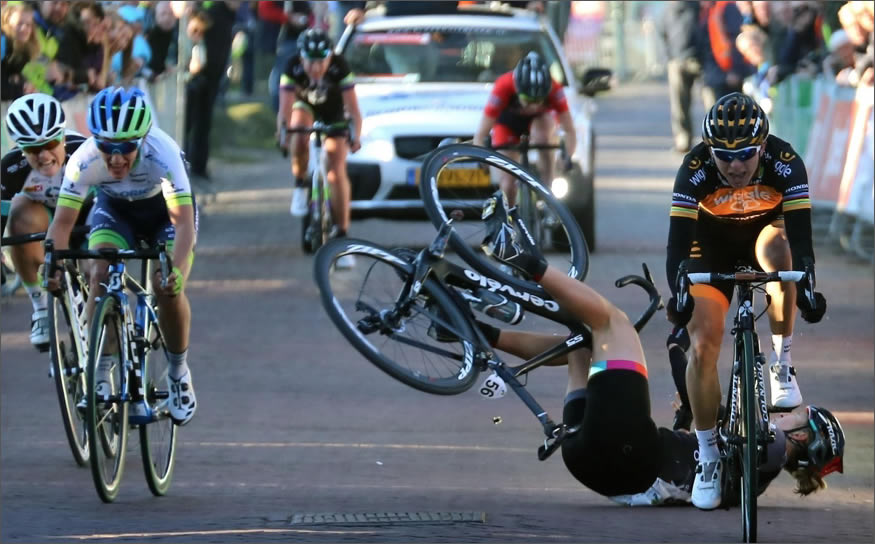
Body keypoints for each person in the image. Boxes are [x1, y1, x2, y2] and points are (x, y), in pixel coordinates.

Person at [474, 190, 845, 505]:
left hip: (628, 451)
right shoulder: (750, 472)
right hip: (593, 465)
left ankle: (520, 258)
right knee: (582, 348)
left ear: (803, 437)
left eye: (802, 414)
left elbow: (693, 387)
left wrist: (677, 344)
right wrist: (679, 350)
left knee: (611, 322)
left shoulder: (775, 450)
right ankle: (478, 334)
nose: (791, 410)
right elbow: (697, 405)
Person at [664, 92, 826, 510]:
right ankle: (709, 455)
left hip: (762, 236)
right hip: (709, 246)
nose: (735, 166)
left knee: (782, 256)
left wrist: (807, 287)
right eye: (724, 156)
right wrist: (678, 294)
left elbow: (804, 243)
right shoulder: (695, 168)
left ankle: (781, 362)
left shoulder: (786, 162)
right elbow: (677, 249)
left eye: (747, 155)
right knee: (704, 341)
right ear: (708, 150)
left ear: (764, 146)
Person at [45, 87, 198, 426]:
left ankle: (178, 370)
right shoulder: (83, 160)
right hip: (115, 211)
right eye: (107, 147)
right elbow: (62, 224)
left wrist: (178, 271)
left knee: (166, 285)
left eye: (126, 147)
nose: (116, 158)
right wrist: (52, 263)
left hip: (164, 214)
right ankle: (100, 370)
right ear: (95, 140)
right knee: (99, 271)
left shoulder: (163, 153)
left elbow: (184, 223)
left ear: (142, 140)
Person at [2, 93, 89, 351]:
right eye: (31, 149)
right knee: (19, 215)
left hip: (86, 216)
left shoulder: (85, 153)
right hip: (45, 218)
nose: (43, 155)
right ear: (19, 148)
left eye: (50, 143)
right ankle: (40, 309)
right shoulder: (11, 168)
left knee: (93, 267)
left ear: (62, 136)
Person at [277, 28, 362, 268]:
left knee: (336, 168)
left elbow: (353, 108)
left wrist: (355, 134)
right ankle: (300, 184)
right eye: (310, 62)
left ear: (329, 57)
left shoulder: (340, 66)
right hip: (305, 108)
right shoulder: (291, 65)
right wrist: (283, 131)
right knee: (298, 130)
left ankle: (343, 237)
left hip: (333, 113)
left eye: (321, 62)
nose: (315, 68)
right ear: (301, 58)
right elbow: (285, 107)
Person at [473, 51, 576, 203]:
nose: (533, 106)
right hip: (508, 122)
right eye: (527, 100)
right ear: (517, 89)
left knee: (544, 135)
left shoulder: (555, 89)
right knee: (507, 183)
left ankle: (547, 191)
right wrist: (482, 158)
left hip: (540, 121)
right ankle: (511, 219)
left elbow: (569, 131)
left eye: (538, 100)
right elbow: (481, 134)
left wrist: (566, 156)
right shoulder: (503, 86)